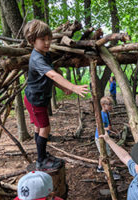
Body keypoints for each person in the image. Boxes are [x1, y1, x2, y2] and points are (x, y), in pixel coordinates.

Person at [23, 19, 88, 171]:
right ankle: (40, 160)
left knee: (40, 128)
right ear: (33, 40)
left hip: (38, 99)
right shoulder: (37, 58)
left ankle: (43, 155)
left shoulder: (44, 54)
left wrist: (63, 87)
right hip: (35, 100)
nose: (47, 43)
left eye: (48, 39)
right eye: (42, 40)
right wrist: (72, 86)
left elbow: (50, 77)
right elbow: (52, 75)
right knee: (45, 128)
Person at [95, 96, 115, 173]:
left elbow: (108, 125)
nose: (111, 106)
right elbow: (99, 127)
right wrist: (107, 129)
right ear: (103, 105)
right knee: (105, 154)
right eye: (109, 104)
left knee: (103, 153)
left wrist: (111, 129)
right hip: (100, 137)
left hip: (105, 136)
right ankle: (107, 169)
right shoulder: (101, 115)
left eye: (111, 104)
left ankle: (100, 167)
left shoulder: (107, 113)